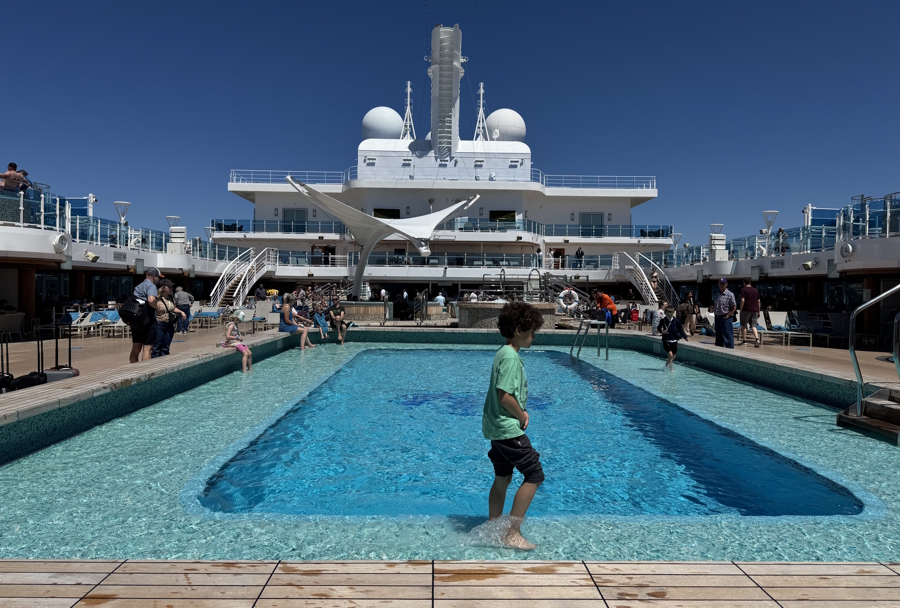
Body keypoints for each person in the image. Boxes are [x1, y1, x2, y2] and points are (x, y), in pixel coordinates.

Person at [483, 302, 545, 550]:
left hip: (497, 429)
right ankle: (512, 532)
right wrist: (521, 415)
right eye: (531, 332)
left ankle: (493, 526)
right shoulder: (510, 357)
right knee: (534, 474)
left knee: (503, 476)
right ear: (519, 329)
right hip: (508, 429)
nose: (533, 337)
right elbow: (504, 395)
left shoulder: (503, 352)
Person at [129, 267, 162, 364]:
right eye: (158, 277)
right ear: (154, 277)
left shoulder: (138, 286)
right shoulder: (151, 286)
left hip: (136, 321)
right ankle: (145, 373)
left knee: (135, 349)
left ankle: (134, 370)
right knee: (147, 349)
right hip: (147, 321)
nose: (158, 279)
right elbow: (151, 300)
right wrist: (156, 306)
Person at [152, 280, 185, 358]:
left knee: (166, 347)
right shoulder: (155, 298)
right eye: (169, 286)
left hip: (169, 324)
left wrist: (181, 312)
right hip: (159, 324)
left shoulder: (170, 297)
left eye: (172, 286)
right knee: (156, 347)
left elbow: (173, 309)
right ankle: (155, 365)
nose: (171, 288)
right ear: (163, 288)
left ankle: (164, 364)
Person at [657, 304, 689, 371]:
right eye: (667, 315)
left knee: (673, 357)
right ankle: (671, 369)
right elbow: (658, 328)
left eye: (670, 315)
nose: (669, 317)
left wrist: (685, 337)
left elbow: (680, 329)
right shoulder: (663, 320)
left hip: (674, 340)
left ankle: (667, 363)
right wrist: (662, 331)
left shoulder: (676, 321)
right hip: (666, 340)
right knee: (671, 355)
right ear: (665, 313)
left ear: (673, 313)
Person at [713, 278, 737, 349]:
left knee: (727, 335)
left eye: (723, 284)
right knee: (718, 336)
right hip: (717, 318)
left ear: (726, 284)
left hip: (725, 318)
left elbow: (734, 307)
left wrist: (727, 316)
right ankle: (719, 351)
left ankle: (730, 351)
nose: (721, 285)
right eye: (720, 283)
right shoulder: (717, 294)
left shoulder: (730, 294)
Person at [739, 278, 762, 347]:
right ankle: (757, 339)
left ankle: (744, 341)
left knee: (744, 326)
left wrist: (740, 310)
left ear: (744, 283)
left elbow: (742, 300)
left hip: (746, 310)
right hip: (755, 310)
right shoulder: (756, 290)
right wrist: (759, 311)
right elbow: (758, 302)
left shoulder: (744, 290)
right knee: (754, 326)